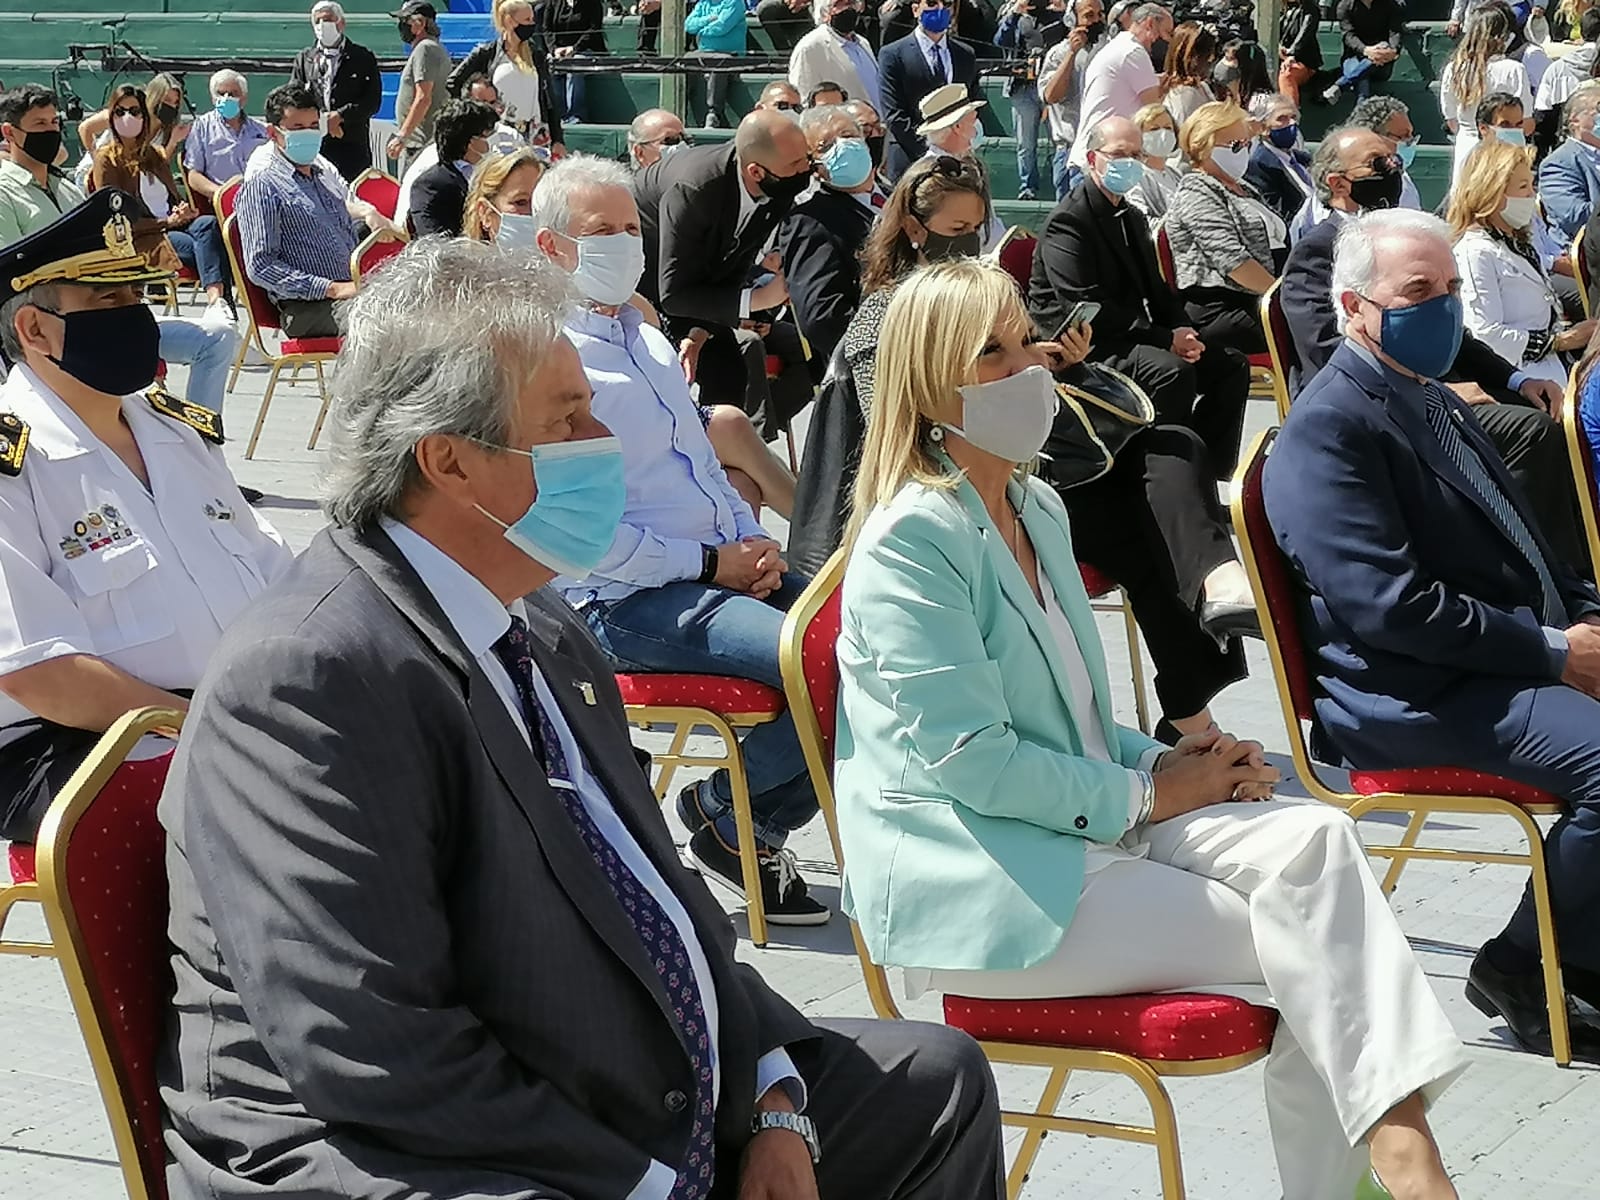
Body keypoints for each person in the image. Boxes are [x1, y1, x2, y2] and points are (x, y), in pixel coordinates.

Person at [158, 233, 1009, 1200]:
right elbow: (374, 1049)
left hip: (593, 1066)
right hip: (406, 1150)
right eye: (567, 420)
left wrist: (772, 1097)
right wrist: (659, 1183)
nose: (601, 443)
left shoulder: (541, 621)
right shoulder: (308, 678)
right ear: (450, 462)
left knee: (932, 1087)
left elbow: (667, 907)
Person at [837, 256, 1469, 1200]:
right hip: (991, 884)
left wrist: (1183, 759)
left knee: (1320, 842)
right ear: (932, 387)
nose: (1029, 370)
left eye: (1026, 341)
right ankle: (1404, 1175)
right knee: (1331, 951)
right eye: (993, 356)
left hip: (1083, 833)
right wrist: (1152, 792)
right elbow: (975, 765)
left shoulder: (1033, 503)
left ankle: (1389, 1175)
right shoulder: (910, 542)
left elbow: (1079, 722)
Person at [1265, 207, 1600, 1066]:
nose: (1442, 308)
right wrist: (1558, 653)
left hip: (1495, 656)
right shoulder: (1329, 427)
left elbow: (1522, 541)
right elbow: (1391, 608)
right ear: (1354, 307)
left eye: (1450, 288)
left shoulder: (1425, 395)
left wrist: (1581, 614)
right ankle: (1528, 968)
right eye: (1419, 292)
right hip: (1408, 694)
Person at [527, 155, 822, 918]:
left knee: (878, 641)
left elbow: (700, 464)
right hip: (623, 599)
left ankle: (737, 822)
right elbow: (576, 533)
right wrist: (710, 561)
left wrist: (751, 548)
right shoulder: (544, 362)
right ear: (552, 246)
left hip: (718, 568)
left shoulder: (649, 341)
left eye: (632, 228)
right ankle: (730, 815)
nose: (624, 243)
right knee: (831, 667)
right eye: (602, 232)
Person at [0, 189, 290, 844]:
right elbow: (40, 675)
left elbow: (281, 586)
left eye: (138, 298)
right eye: (108, 302)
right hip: (75, 743)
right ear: (36, 330)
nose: (136, 318)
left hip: (225, 721)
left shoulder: (178, 433)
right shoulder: (13, 467)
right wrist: (211, 729)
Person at [1280, 127, 1590, 572]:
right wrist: (1435, 392)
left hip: (1433, 387)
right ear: (1338, 182)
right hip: (1382, 404)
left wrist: (1518, 379)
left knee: (1541, 410)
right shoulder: (1317, 250)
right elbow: (1326, 346)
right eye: (1378, 162)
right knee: (1530, 432)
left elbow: (1454, 331)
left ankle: (1562, 577)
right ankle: (1538, 572)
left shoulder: (1402, 232)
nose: (1393, 167)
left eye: (1394, 158)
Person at [1031, 114, 1252, 479]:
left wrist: (1182, 330)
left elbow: (1157, 288)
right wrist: (1165, 340)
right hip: (1084, 344)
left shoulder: (1130, 216)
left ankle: (1206, 474)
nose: (1129, 162)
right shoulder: (1069, 222)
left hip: (1128, 333)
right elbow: (1086, 307)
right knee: (1172, 373)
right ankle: (1158, 475)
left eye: (1136, 153)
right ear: (1092, 159)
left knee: (1229, 366)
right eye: (1119, 154)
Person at [632, 109, 816, 439]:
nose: (807, 171)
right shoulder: (695, 187)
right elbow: (674, 292)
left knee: (729, 369)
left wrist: (704, 328)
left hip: (704, 280)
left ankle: (725, 463)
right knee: (670, 370)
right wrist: (758, 299)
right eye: (795, 165)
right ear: (756, 171)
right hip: (645, 280)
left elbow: (738, 258)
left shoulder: (776, 186)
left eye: (806, 159)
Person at [1449, 137, 1594, 387]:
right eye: (1523, 187)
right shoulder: (1475, 253)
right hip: (1524, 377)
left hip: (1555, 365)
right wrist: (1561, 341)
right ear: (1492, 192)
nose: (1532, 195)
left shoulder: (1515, 241)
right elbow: (1485, 335)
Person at [91, 85, 231, 318]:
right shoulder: (107, 159)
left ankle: (216, 303)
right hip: (146, 234)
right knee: (210, 249)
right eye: (120, 112)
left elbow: (170, 197)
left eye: (135, 111)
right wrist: (166, 221)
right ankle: (222, 306)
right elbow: (116, 219)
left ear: (144, 117)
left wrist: (182, 209)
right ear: (112, 116)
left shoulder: (154, 154)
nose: (128, 117)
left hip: (174, 224)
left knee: (208, 224)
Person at [235, 84, 360, 340]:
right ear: (273, 133)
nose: (309, 134)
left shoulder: (321, 179)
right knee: (392, 324)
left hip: (352, 293)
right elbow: (261, 266)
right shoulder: (264, 187)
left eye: (314, 126)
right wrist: (331, 289)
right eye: (297, 128)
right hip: (308, 308)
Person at [1161, 100, 1279, 357]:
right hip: (1226, 307)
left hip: (1262, 300)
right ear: (1204, 147)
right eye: (1235, 145)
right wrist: (1283, 297)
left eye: (1246, 144)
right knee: (1321, 326)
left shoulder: (1246, 189)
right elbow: (1232, 260)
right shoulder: (1197, 192)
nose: (1244, 151)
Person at [782, 105, 876, 371]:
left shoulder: (897, 196)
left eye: (848, 134)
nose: (843, 146)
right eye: (826, 146)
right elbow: (821, 316)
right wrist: (878, 350)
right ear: (813, 164)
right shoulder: (811, 221)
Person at [447, 0, 567, 156]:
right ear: (510, 21)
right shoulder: (487, 53)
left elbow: (550, 98)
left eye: (532, 19)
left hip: (534, 134)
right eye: (527, 20)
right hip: (496, 134)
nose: (532, 24)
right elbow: (453, 83)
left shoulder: (536, 55)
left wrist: (558, 139)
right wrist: (470, 116)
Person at [878, 0, 982, 179]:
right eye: (932, 3)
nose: (940, 9)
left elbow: (972, 102)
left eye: (947, 4)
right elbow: (894, 115)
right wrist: (934, 150)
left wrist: (959, 147)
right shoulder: (893, 54)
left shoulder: (965, 54)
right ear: (916, 9)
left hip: (958, 160)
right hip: (911, 160)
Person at [1066, 2, 1172, 175]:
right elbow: (1154, 112)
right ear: (1150, 23)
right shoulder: (1133, 52)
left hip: (1099, 160)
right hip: (1101, 165)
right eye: (1167, 32)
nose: (1167, 40)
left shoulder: (1120, 47)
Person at [289, 1, 383, 182]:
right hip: (314, 143)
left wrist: (340, 116)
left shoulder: (362, 57)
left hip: (352, 144)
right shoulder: (304, 59)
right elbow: (295, 96)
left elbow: (372, 101)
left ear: (341, 23)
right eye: (317, 21)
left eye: (328, 20)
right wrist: (323, 122)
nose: (322, 26)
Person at [1440, 5, 1533, 184]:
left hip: (1467, 146)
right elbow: (1526, 122)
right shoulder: (1514, 69)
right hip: (1507, 149)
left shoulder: (1454, 69)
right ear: (1503, 36)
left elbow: (1451, 120)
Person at [914, 83, 1004, 249]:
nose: (976, 128)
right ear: (957, 127)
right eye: (972, 121)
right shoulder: (935, 174)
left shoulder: (967, 163)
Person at [1038, 0, 1108, 199]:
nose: (1096, 20)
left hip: (1104, 150)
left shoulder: (1109, 51)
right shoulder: (1058, 53)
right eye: (1088, 15)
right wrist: (1071, 54)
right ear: (1072, 19)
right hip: (1070, 151)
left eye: (1099, 14)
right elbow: (1050, 96)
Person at [0, 86, 84, 249]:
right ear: (9, 132)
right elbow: (8, 265)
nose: (51, 130)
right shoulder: (4, 195)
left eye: (54, 122)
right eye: (40, 123)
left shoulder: (69, 190)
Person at [409, 100, 498, 238]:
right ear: (469, 142)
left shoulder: (495, 173)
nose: (491, 142)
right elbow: (433, 240)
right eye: (486, 136)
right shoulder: (430, 185)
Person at [183, 70, 271, 206]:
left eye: (233, 94)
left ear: (244, 98)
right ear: (213, 98)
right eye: (221, 93)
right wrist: (223, 195)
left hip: (261, 201)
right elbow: (194, 176)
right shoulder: (201, 127)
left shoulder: (262, 130)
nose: (226, 98)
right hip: (223, 204)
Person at [388, 0, 453, 176]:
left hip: (421, 143)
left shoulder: (425, 49)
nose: (402, 25)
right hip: (425, 142)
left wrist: (402, 135)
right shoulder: (434, 48)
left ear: (421, 23)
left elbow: (423, 97)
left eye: (405, 20)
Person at [76, 73, 190, 171]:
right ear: (155, 97)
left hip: (124, 181)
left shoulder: (164, 131)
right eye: (167, 100)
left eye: (176, 102)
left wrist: (173, 141)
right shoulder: (130, 112)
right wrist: (97, 160)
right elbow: (85, 128)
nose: (172, 106)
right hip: (92, 174)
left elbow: (160, 166)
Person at [995, 0, 1050, 200]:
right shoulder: (1014, 16)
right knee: (1026, 143)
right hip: (1022, 86)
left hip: (1051, 86)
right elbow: (1000, 40)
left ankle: (1065, 185)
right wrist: (1014, 14)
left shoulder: (1057, 16)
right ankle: (1028, 186)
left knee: (1059, 140)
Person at [791, 0, 885, 116]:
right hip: (845, 127)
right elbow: (803, 99)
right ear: (824, 13)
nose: (848, 9)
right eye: (840, 4)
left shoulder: (863, 43)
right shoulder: (810, 47)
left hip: (878, 125)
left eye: (852, 3)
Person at [1539, 81, 1600, 239]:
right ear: (1574, 121)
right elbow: (1575, 217)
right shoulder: (1557, 164)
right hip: (1586, 250)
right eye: (1599, 109)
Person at [1244, 92, 1314, 224]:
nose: (1291, 123)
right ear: (1263, 128)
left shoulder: (1303, 159)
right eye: (1282, 118)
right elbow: (1278, 216)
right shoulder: (1259, 166)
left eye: (1293, 117)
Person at [686, 0, 752, 130]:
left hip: (730, 54)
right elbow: (688, 25)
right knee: (684, 62)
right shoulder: (703, 4)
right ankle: (681, 112)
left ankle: (713, 114)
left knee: (718, 65)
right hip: (703, 52)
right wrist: (709, 19)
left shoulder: (735, 3)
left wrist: (700, 31)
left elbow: (721, 27)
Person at [1324, 0, 1405, 105]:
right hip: (1353, 57)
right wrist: (1366, 50)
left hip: (1382, 61)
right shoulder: (1345, 5)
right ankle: (1362, 107)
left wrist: (1393, 50)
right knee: (1362, 77)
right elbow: (1348, 36)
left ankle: (1340, 85)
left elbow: (1395, 32)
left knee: (1381, 49)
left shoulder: (1390, 4)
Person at [540, 0, 606, 126]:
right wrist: (554, 49)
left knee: (574, 66)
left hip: (587, 50)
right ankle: (558, 115)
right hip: (559, 51)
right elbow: (546, 29)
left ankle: (576, 115)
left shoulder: (593, 3)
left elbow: (593, 29)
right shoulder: (553, 3)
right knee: (551, 66)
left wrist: (574, 48)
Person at [463, 146, 548, 244]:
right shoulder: (455, 258)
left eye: (540, 202)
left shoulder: (565, 257)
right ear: (485, 212)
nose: (533, 212)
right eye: (521, 202)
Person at [1158, 21, 1218, 130]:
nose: (1212, 59)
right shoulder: (1184, 96)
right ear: (1191, 57)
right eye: (1207, 55)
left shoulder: (1202, 87)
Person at [1124, 100, 1179, 217]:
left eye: (1168, 128)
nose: (1163, 134)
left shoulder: (1176, 175)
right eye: (1154, 129)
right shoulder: (1133, 176)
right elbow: (1139, 219)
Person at [1277, 0, 1323, 105]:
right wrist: (1278, 47)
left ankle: (1290, 117)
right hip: (1280, 58)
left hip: (1304, 61)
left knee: (1287, 74)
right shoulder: (1280, 10)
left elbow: (1305, 34)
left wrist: (1292, 54)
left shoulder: (1310, 10)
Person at [626, 107, 691, 169]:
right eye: (671, 140)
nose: (683, 145)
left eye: (686, 139)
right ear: (640, 153)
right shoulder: (621, 180)